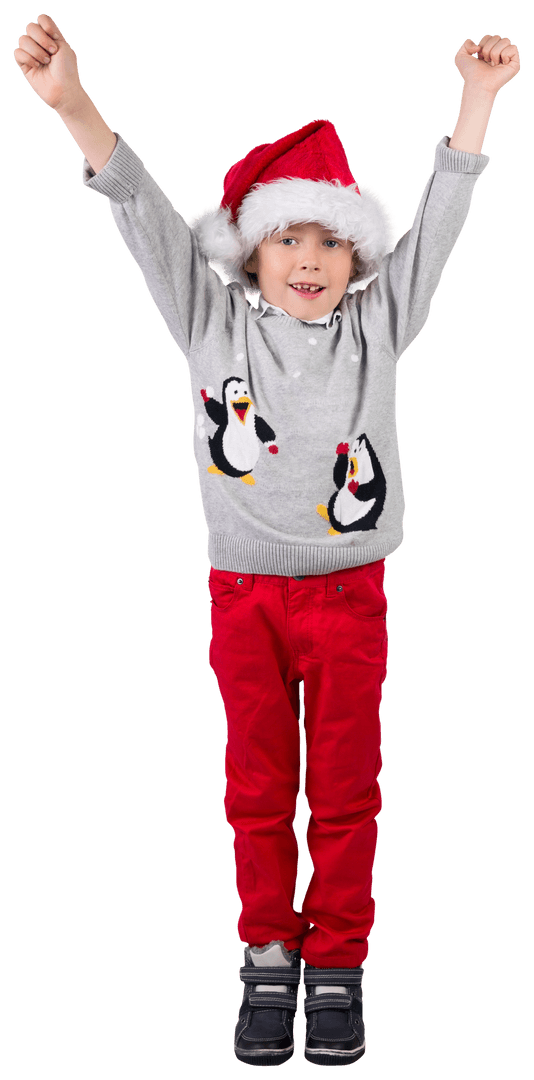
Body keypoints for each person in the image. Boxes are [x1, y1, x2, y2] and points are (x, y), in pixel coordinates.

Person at [14, 15, 521, 1068]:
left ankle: (338, 957)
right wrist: (74, 107)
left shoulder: (382, 325)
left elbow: (439, 225)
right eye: (289, 236)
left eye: (330, 239)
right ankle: (267, 955)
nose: (309, 257)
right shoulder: (209, 321)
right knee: (256, 787)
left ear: (357, 257)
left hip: (350, 598)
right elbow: (146, 217)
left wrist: (476, 105)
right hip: (244, 596)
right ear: (250, 249)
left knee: (343, 789)